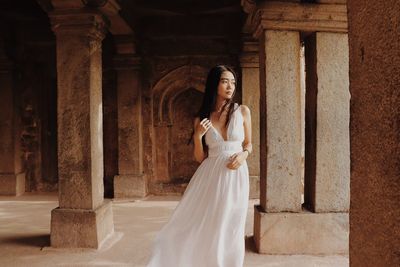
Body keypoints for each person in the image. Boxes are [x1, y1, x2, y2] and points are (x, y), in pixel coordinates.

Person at [146, 65, 252, 267]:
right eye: (224, 81)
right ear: (214, 84)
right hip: (210, 175)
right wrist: (197, 137)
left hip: (237, 174)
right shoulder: (201, 119)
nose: (230, 86)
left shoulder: (243, 111)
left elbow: (249, 144)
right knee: (208, 222)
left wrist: (244, 155)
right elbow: (200, 158)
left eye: (233, 82)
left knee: (232, 221)